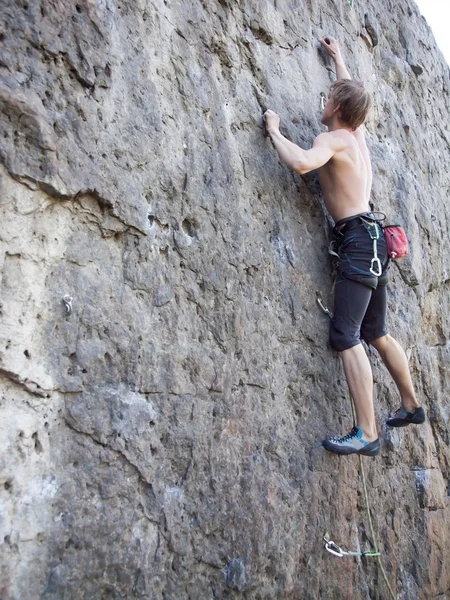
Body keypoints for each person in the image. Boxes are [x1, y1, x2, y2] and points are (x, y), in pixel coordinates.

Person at [263, 37, 425, 456]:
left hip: (358, 241)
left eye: (328, 96)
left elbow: (300, 162)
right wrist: (338, 60)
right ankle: (410, 405)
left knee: (346, 334)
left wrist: (275, 130)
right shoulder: (358, 136)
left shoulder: (333, 139)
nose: (324, 99)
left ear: (335, 108)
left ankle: (367, 432)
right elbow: (352, 94)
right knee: (375, 331)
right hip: (374, 240)